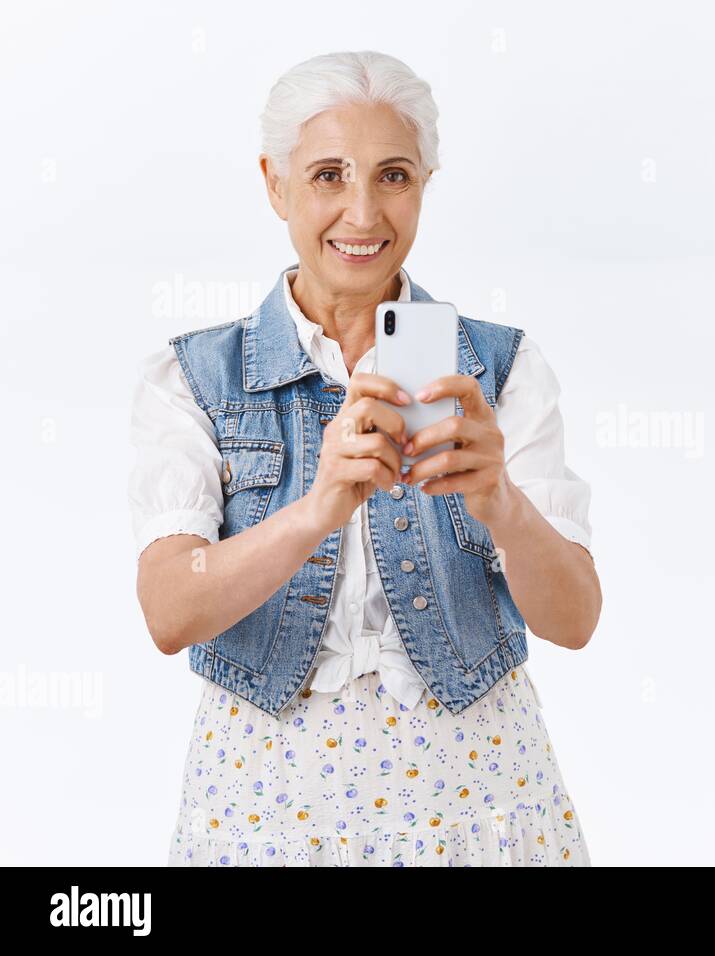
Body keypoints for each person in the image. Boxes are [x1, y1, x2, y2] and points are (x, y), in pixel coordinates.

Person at [128, 51, 600, 866]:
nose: (361, 212)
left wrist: (502, 505)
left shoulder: (502, 369)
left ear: (425, 185)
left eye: (393, 176)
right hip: (265, 811)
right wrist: (318, 509)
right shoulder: (194, 378)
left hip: (476, 807)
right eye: (327, 176)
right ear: (275, 184)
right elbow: (171, 610)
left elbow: (575, 618)